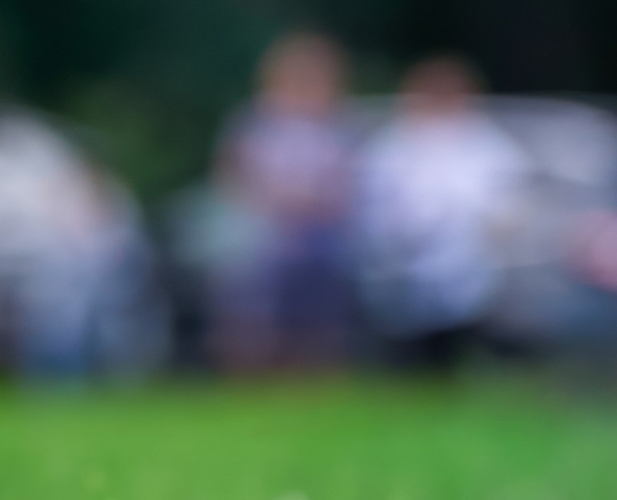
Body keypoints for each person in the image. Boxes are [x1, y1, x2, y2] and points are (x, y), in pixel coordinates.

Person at [352, 55, 531, 370]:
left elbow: (507, 203)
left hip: (474, 252)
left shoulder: (488, 144)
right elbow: (373, 203)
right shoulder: (392, 144)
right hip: (402, 252)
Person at [208, 31, 359, 369]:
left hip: (323, 228)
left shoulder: (340, 125)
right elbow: (232, 176)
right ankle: (252, 358)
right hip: (263, 227)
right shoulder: (254, 122)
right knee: (253, 264)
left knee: (325, 265)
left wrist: (313, 203)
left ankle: (316, 360)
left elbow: (350, 182)